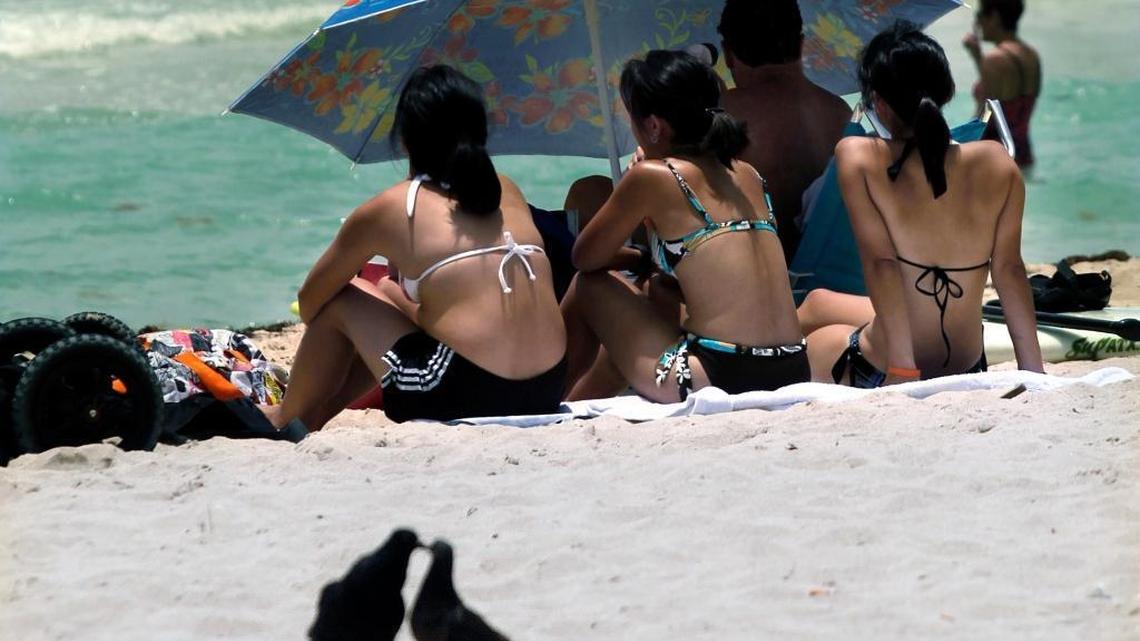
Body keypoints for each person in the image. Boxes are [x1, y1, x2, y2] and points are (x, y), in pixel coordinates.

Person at [264, 65, 567, 428]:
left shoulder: (395, 206)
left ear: (406, 140)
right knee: (388, 298)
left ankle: (286, 415)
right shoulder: (506, 190)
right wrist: (397, 291)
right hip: (548, 388)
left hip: (467, 392)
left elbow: (312, 301)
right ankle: (314, 414)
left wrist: (390, 290)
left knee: (344, 296)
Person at [799, 22, 1043, 387]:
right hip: (968, 361)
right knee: (819, 302)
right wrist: (1033, 373)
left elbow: (883, 265)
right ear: (945, 91)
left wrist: (902, 371)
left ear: (878, 104)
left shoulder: (859, 156)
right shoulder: (997, 161)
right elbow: (1009, 270)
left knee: (814, 344)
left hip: (893, 363)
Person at [560, 50, 810, 403]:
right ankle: (573, 403)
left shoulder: (653, 177)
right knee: (660, 290)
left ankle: (551, 398)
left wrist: (634, 255)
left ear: (653, 125)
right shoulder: (748, 174)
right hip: (792, 367)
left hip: (722, 373)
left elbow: (585, 257)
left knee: (589, 286)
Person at [717, 0, 853, 259]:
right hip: (831, 272)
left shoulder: (723, 112)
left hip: (764, 276)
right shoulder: (840, 111)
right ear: (801, 43)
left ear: (727, 52)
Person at [963, 0, 1041, 168]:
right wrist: (978, 58)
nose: (977, 22)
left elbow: (984, 118)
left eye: (980, 15)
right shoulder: (1032, 56)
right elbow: (1009, 95)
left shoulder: (994, 59)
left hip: (993, 158)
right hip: (1022, 153)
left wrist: (960, 149)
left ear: (995, 17)